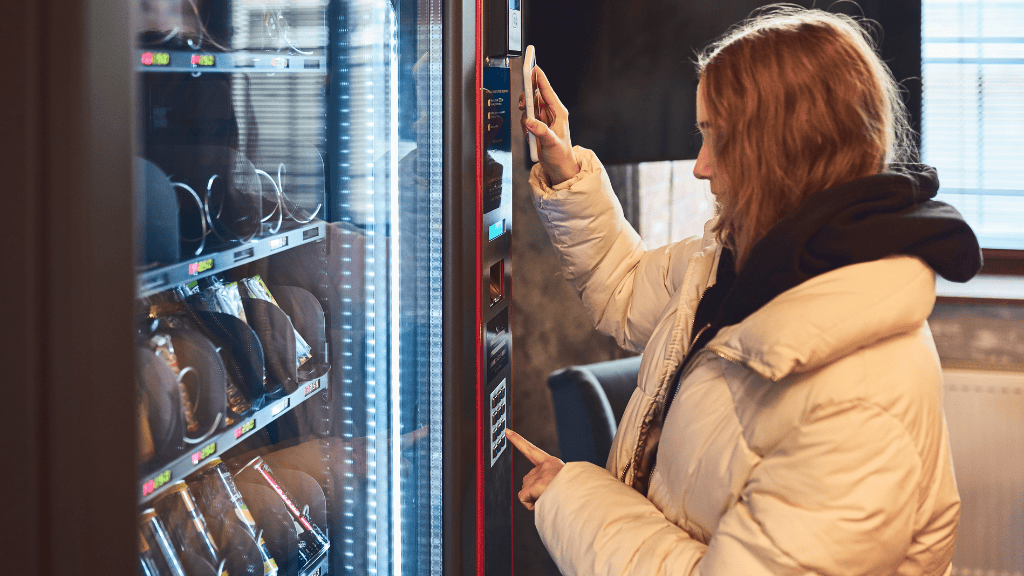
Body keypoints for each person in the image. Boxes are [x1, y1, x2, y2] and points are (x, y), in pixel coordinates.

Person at [504, 6, 982, 575]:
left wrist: (571, 497)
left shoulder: (862, 399)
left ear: (779, 153)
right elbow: (626, 288)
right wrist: (566, 171)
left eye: (715, 138)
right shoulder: (741, 260)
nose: (701, 167)